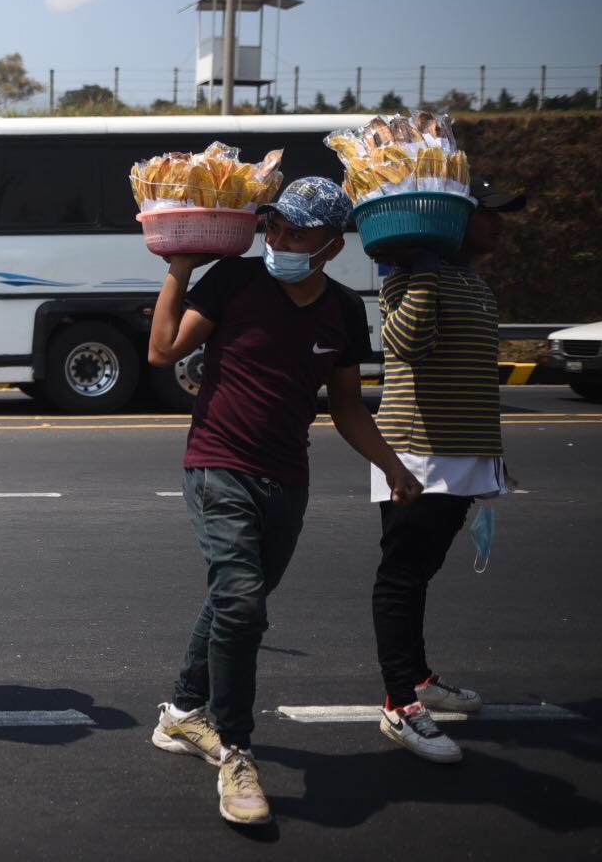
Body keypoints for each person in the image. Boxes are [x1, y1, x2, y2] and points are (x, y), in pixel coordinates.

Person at [145, 176, 423, 825]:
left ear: (330, 244)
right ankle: (238, 752)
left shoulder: (344, 311)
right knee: (241, 600)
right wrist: (179, 273)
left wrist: (393, 466)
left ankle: (183, 713)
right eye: (274, 226)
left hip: (287, 480)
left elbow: (348, 408)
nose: (279, 239)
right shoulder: (235, 282)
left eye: (296, 231)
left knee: (233, 600)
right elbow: (163, 351)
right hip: (217, 466)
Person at [368, 180, 524, 763]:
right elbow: (405, 343)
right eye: (490, 214)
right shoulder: (407, 276)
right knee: (402, 577)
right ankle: (399, 703)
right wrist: (422, 269)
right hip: (417, 458)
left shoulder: (472, 281)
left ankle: (419, 678)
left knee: (421, 573)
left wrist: (491, 455)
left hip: (461, 458)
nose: (500, 225)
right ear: (452, 220)